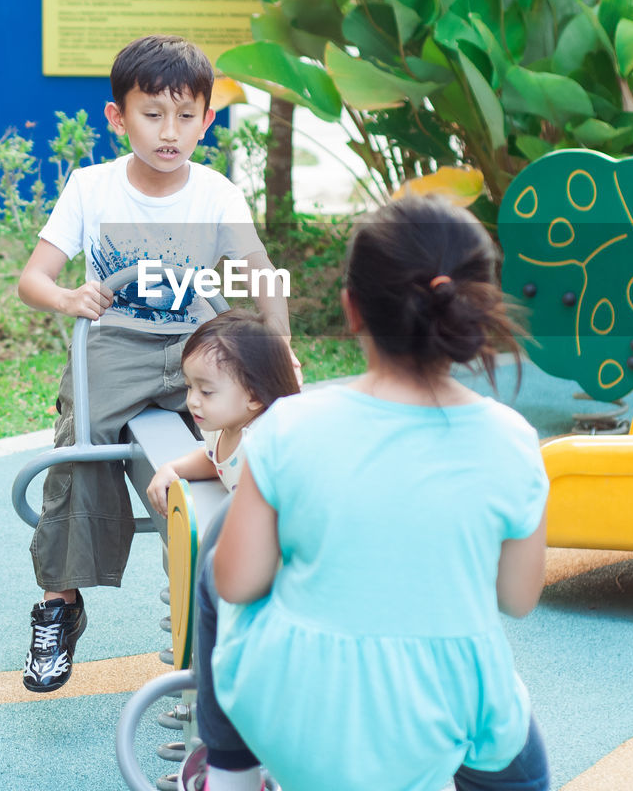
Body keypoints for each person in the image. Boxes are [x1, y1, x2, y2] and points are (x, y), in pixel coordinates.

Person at [185, 196, 551, 791]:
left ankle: (229, 773)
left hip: (297, 713)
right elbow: (517, 597)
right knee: (516, 758)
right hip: (447, 711)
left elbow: (236, 584)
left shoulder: (290, 427)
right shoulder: (512, 441)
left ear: (352, 310)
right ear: (475, 311)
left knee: (221, 543)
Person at [16, 34, 293, 693]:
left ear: (206, 119)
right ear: (118, 117)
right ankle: (61, 603)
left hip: (199, 339)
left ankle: (242, 591)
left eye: (187, 116)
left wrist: (280, 350)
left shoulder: (216, 192)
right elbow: (34, 278)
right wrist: (67, 295)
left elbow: (264, 276)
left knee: (249, 434)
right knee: (83, 440)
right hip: (116, 340)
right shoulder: (94, 188)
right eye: (152, 114)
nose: (170, 132)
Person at [145, 311, 300, 517]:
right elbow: (214, 460)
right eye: (190, 387)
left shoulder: (262, 445)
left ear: (253, 397)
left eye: (206, 392)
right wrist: (172, 469)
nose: (192, 400)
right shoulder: (224, 427)